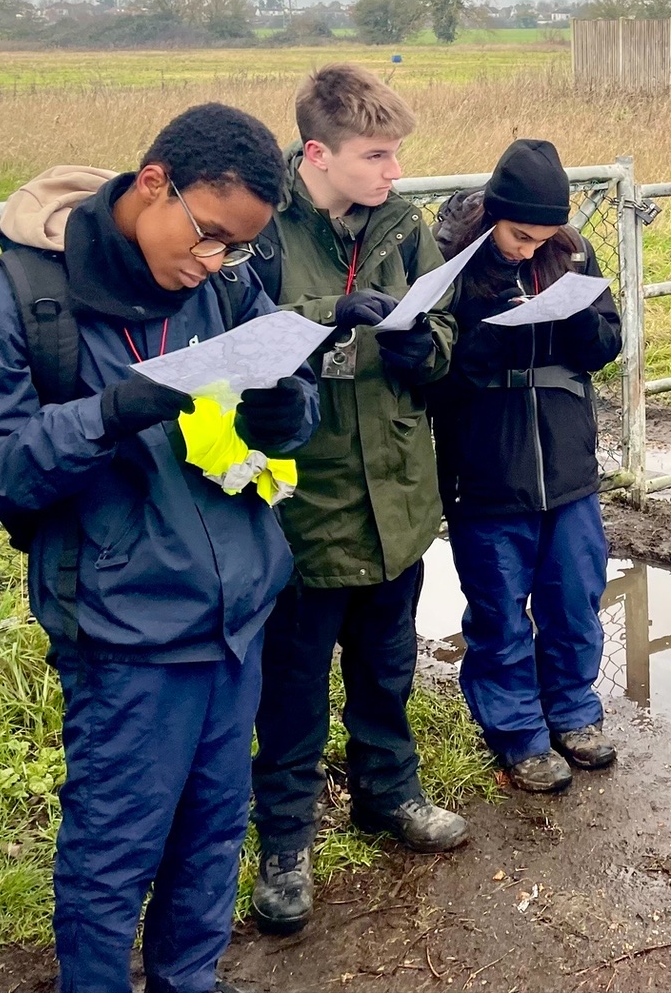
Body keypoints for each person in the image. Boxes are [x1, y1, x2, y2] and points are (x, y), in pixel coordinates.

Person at [0, 105, 318, 993]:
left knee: (214, 833)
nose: (214, 261)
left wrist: (288, 411)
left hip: (237, 621)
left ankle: (189, 980)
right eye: (208, 234)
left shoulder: (221, 289)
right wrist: (107, 415)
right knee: (114, 854)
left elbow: (289, 384)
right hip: (125, 634)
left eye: (237, 249)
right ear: (153, 184)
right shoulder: (20, 303)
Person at [250, 65, 468, 938]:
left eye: (396, 154)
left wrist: (426, 350)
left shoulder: (403, 226)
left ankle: (389, 792)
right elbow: (237, 339)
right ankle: (285, 841)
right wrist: (328, 313)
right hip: (305, 503)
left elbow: (442, 326)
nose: (393, 171)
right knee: (293, 689)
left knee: (387, 667)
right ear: (318, 154)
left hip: (397, 497)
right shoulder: (262, 229)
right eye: (376, 155)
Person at [430, 139, 624, 794]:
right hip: (487, 468)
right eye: (519, 236)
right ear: (493, 215)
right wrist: (490, 336)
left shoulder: (574, 253)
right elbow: (434, 374)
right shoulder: (450, 264)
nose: (528, 249)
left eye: (542, 238)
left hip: (568, 464)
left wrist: (579, 321)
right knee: (500, 612)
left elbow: (607, 342)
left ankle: (573, 711)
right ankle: (518, 734)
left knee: (575, 598)